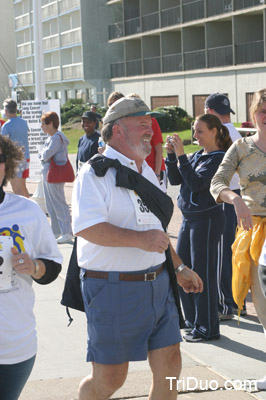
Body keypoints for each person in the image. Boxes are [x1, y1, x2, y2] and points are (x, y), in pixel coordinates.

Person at [72, 96, 203, 400]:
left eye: (150, 122)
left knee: (171, 366)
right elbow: (86, 228)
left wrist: (179, 267)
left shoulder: (145, 171)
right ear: (118, 130)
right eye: (142, 122)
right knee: (110, 381)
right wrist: (139, 240)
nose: (150, 128)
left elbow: (154, 230)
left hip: (158, 283)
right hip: (112, 288)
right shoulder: (94, 174)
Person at [210, 88, 266, 390]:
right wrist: (236, 200)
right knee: (262, 302)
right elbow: (217, 183)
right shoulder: (241, 147)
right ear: (253, 114)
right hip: (254, 232)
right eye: (263, 110)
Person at [0, 135, 62, 400]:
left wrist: (35, 266)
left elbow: (52, 267)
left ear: (8, 165)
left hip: (14, 346)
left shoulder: (27, 211)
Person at [166, 114, 232, 342]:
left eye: (200, 131)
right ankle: (194, 321)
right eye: (194, 131)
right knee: (180, 269)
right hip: (189, 219)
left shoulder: (219, 159)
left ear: (214, 132)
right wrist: (171, 155)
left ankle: (208, 328)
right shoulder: (196, 156)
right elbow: (176, 180)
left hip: (207, 220)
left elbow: (196, 183)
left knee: (203, 273)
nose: (195, 136)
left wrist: (182, 156)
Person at [205, 93, 243, 319]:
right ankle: (236, 302)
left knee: (223, 255)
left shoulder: (221, 135)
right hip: (239, 198)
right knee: (234, 254)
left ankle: (225, 304)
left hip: (226, 199)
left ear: (210, 112)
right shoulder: (237, 133)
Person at [39, 111, 72, 244]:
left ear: (50, 123)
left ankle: (66, 232)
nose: (42, 127)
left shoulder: (56, 138)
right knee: (51, 205)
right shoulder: (51, 138)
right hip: (48, 176)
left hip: (54, 176)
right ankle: (57, 231)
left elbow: (45, 155)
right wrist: (42, 154)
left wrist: (41, 154)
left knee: (59, 204)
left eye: (43, 124)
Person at [1, 99, 30, 197]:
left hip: (14, 160)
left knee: (17, 189)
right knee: (23, 187)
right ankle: (30, 209)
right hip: (26, 158)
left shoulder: (6, 126)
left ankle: (24, 211)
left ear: (6, 111)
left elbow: (3, 145)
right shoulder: (24, 122)